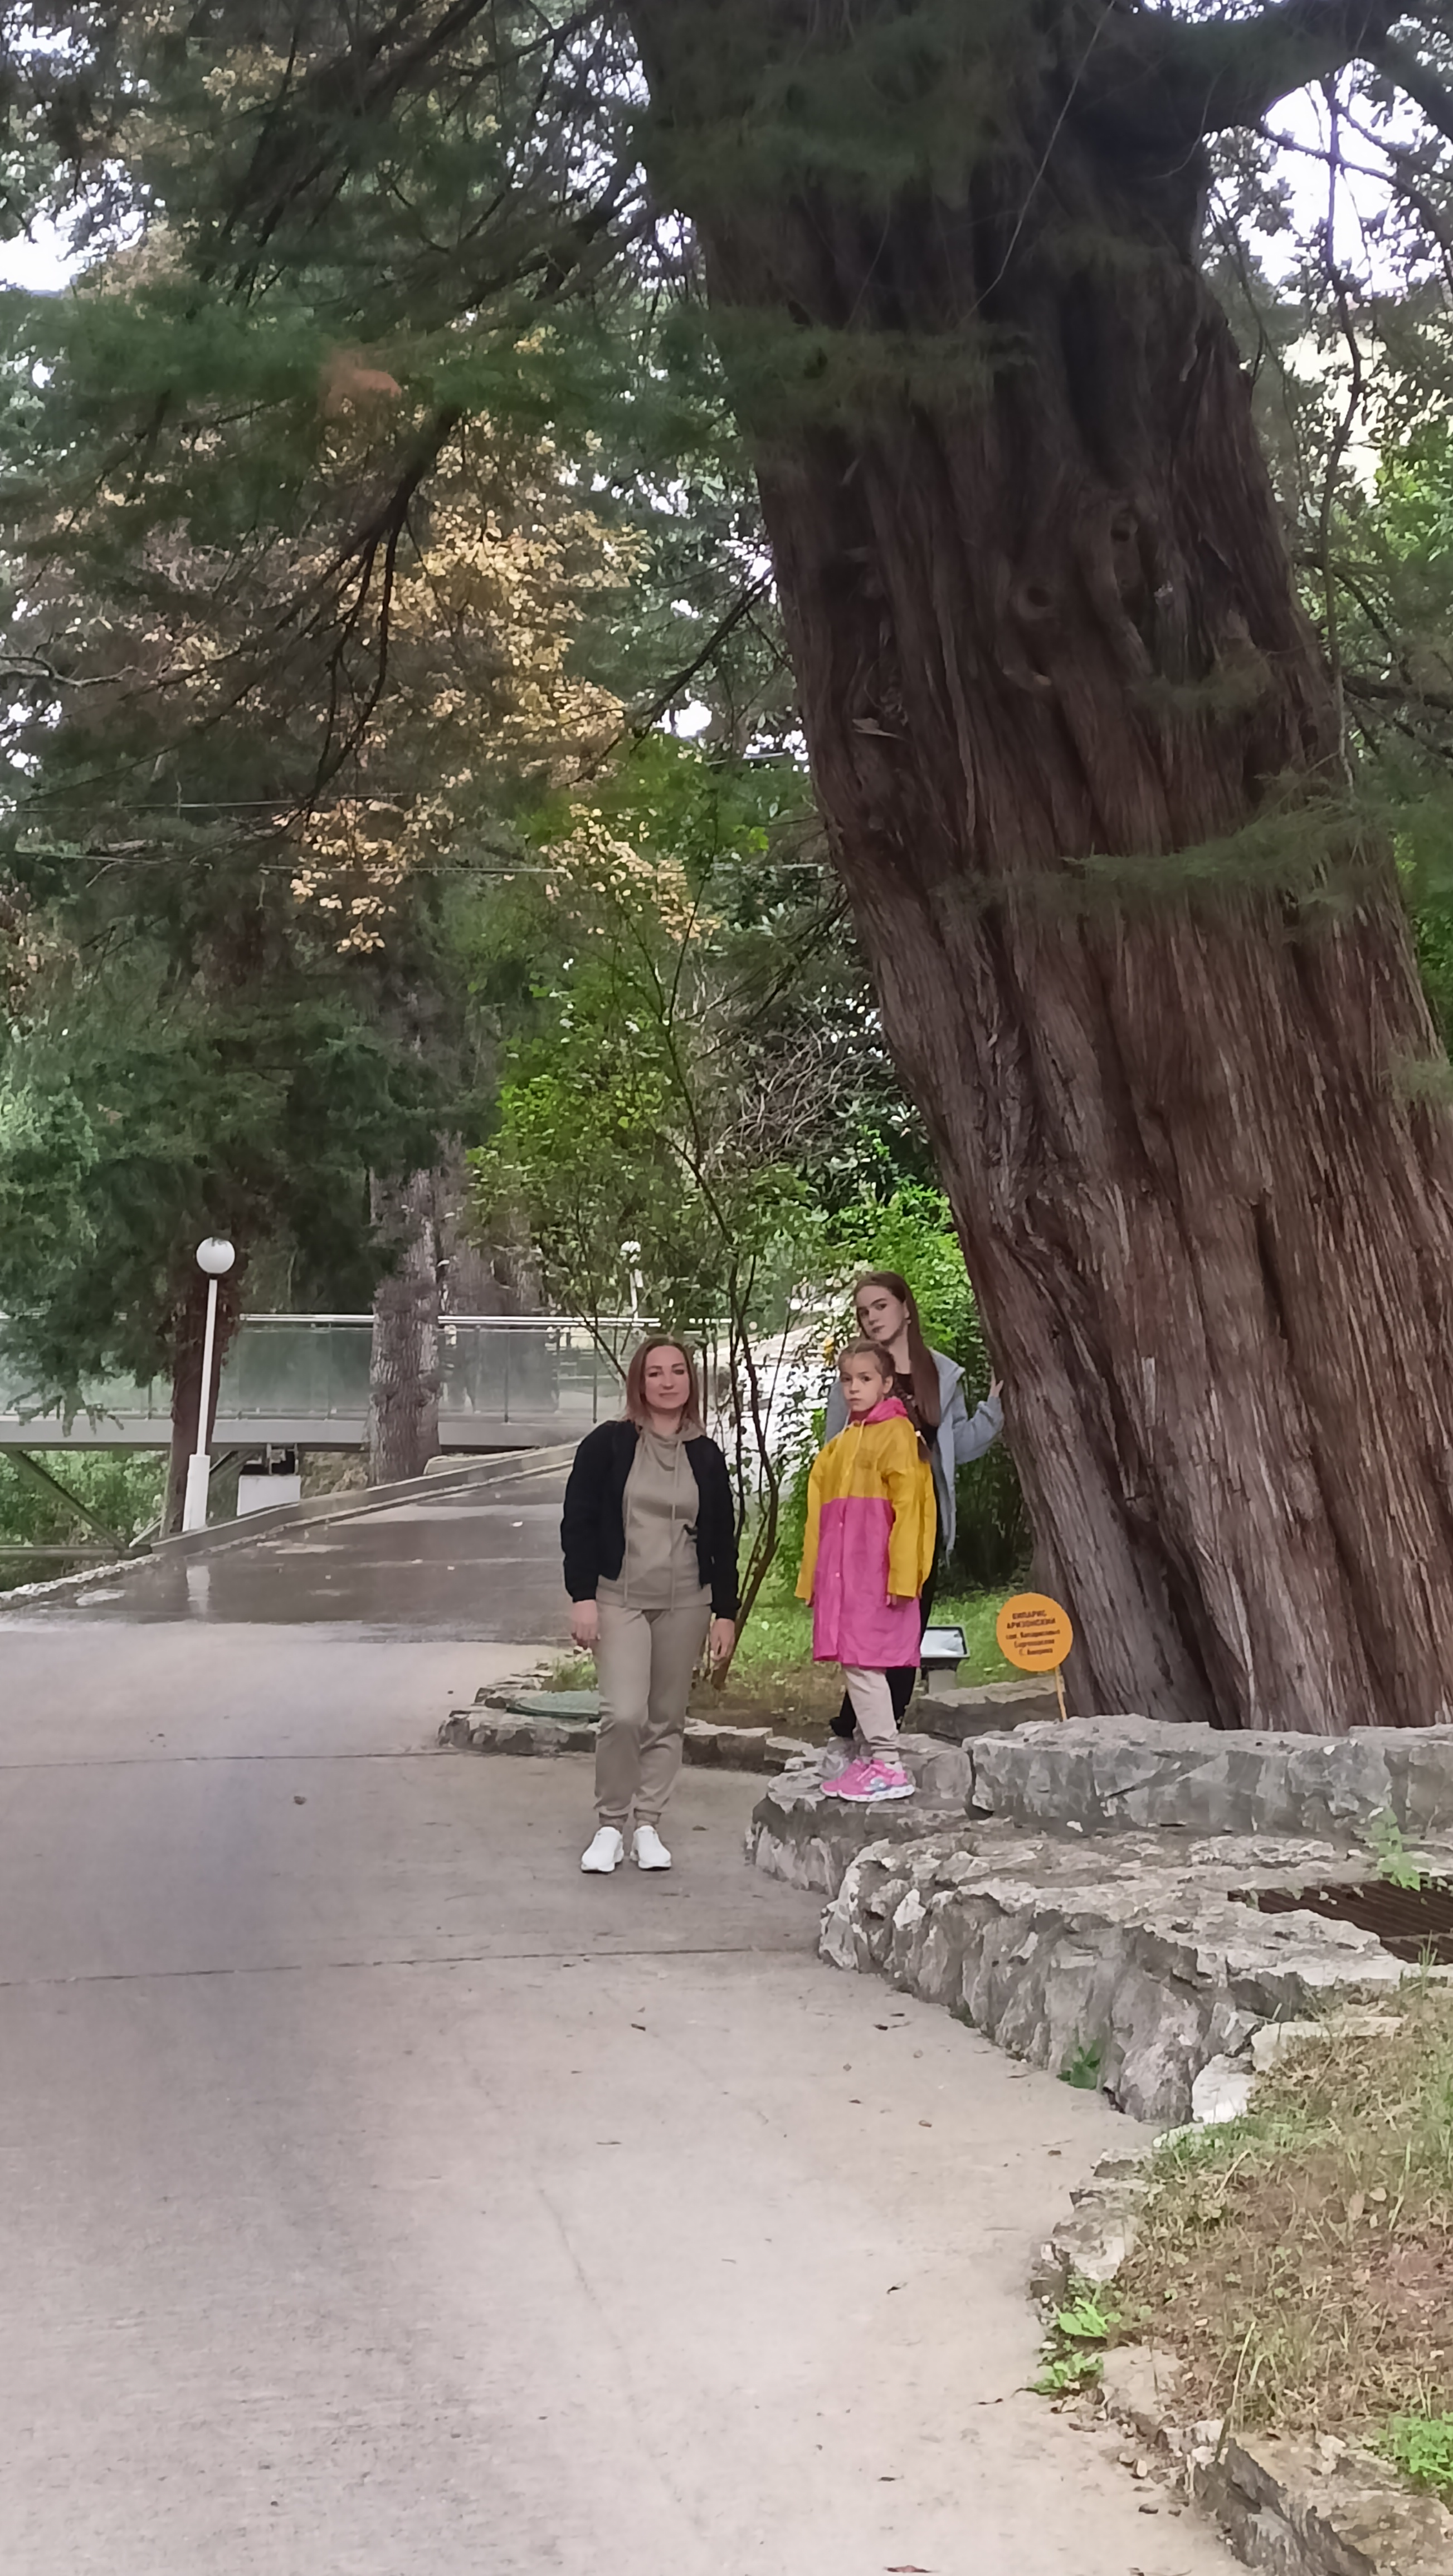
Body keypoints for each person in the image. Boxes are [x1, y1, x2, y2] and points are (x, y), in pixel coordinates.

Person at [562, 1336, 738, 1875]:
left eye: (678, 1371)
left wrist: (725, 1611)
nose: (667, 1381)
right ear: (639, 1382)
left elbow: (722, 1538)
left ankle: (648, 1826)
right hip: (619, 1597)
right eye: (655, 1372)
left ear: (691, 1381)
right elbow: (578, 1522)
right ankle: (610, 1826)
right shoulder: (608, 1445)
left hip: (687, 1602)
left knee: (666, 1719)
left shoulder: (705, 1454)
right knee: (624, 1714)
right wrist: (582, 1597)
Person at [822, 1270, 1002, 1750]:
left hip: (921, 1520)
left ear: (906, 1308)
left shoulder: (941, 1374)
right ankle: (854, 1732)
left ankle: (882, 1736)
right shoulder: (857, 1376)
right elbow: (834, 1451)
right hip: (866, 1523)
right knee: (866, 1628)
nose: (872, 1317)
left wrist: (994, 1410)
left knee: (907, 1627)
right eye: (864, 1312)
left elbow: (956, 1447)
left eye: (880, 1306)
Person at [797, 1339, 937, 1803]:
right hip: (847, 1580)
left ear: (887, 1383)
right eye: (847, 1380)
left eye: (865, 1379)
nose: (854, 1388)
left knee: (864, 1665)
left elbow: (911, 1512)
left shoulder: (896, 1436)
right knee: (858, 1663)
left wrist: (903, 1576)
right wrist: (814, 1579)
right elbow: (820, 1521)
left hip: (876, 1579)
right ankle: (873, 1756)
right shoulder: (843, 1445)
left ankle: (887, 1763)